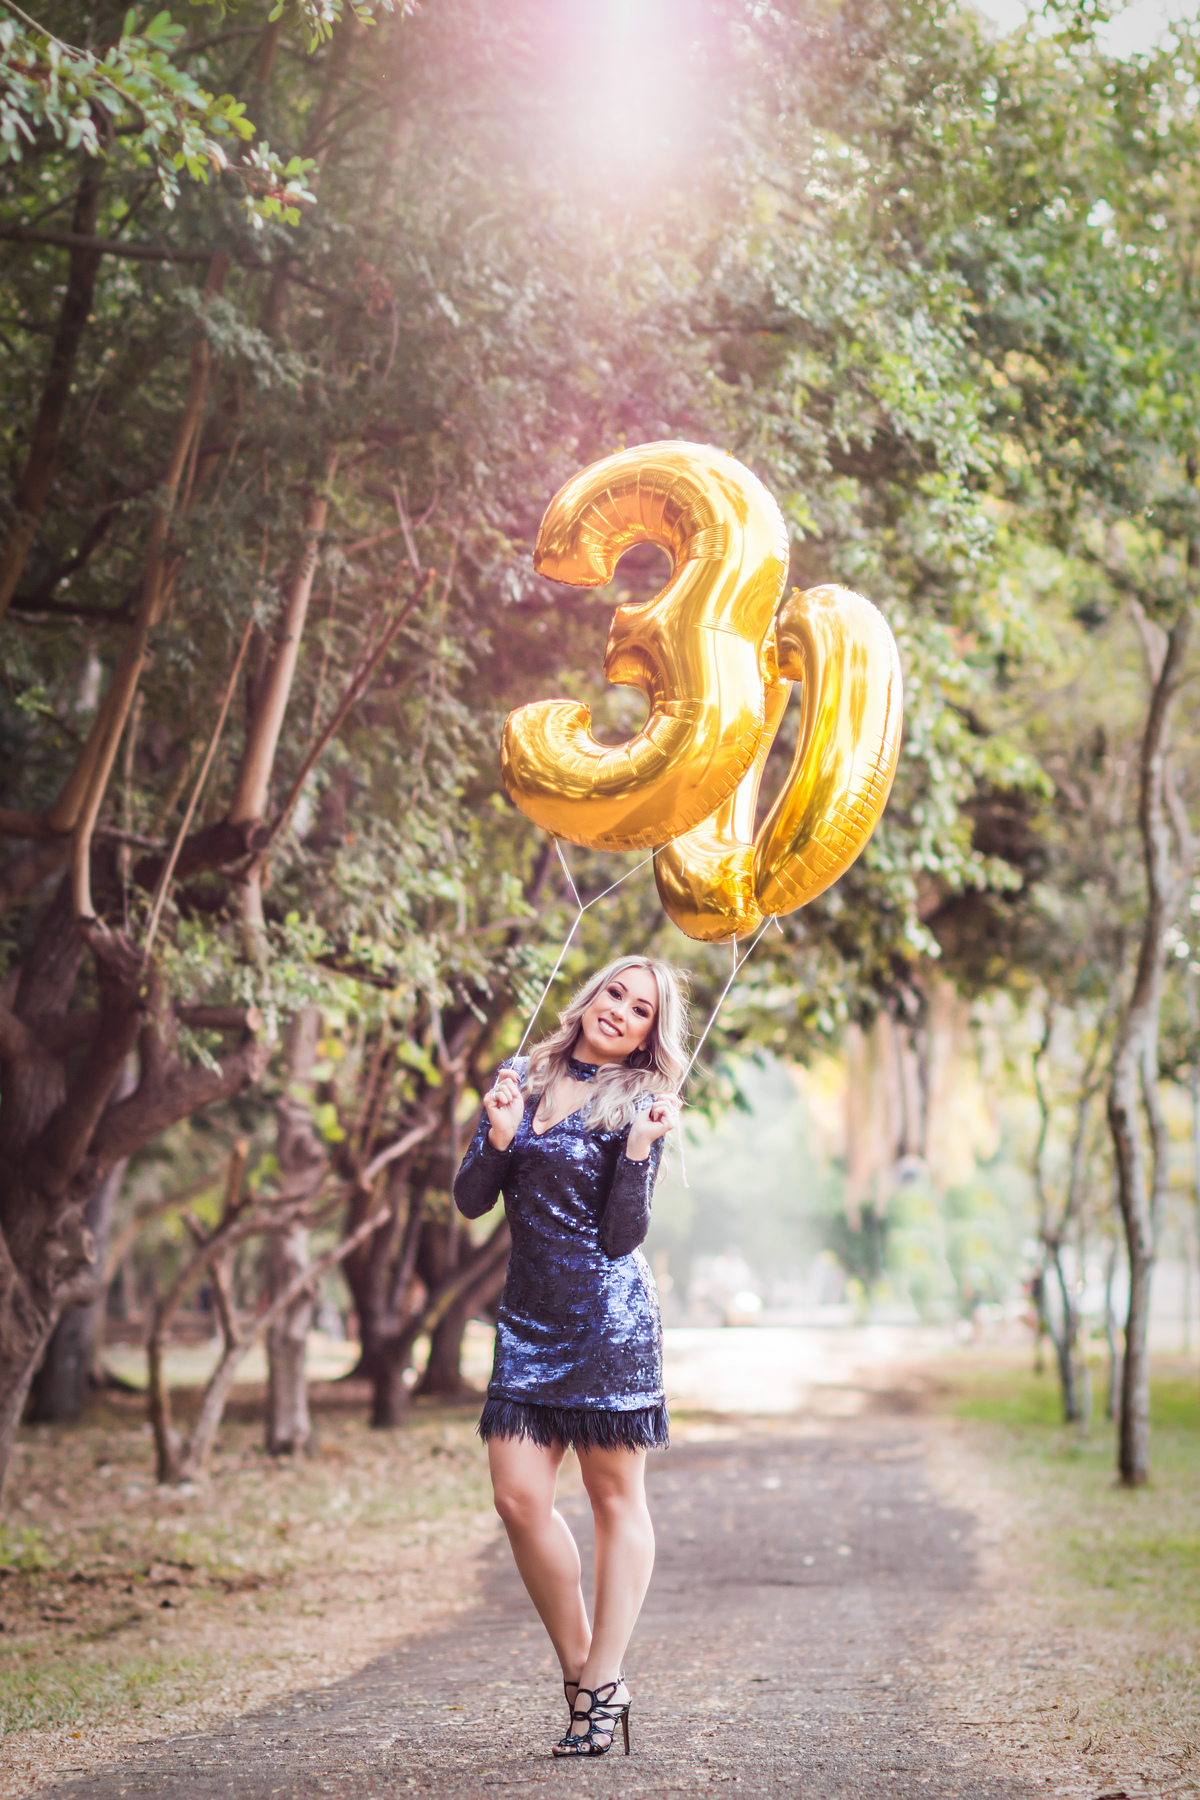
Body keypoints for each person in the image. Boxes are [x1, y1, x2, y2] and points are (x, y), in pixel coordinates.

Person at [452, 954, 687, 1758]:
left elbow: (623, 1236)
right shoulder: (522, 1073)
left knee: (614, 1502)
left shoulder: (640, 1103)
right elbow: (471, 1198)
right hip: (528, 1324)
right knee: (518, 1499)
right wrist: (500, 1133)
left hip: (609, 1325)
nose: (620, 1010)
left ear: (653, 1034)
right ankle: (588, 1674)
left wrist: (639, 1151)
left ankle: (602, 1677)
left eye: (642, 1009)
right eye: (614, 992)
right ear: (590, 995)